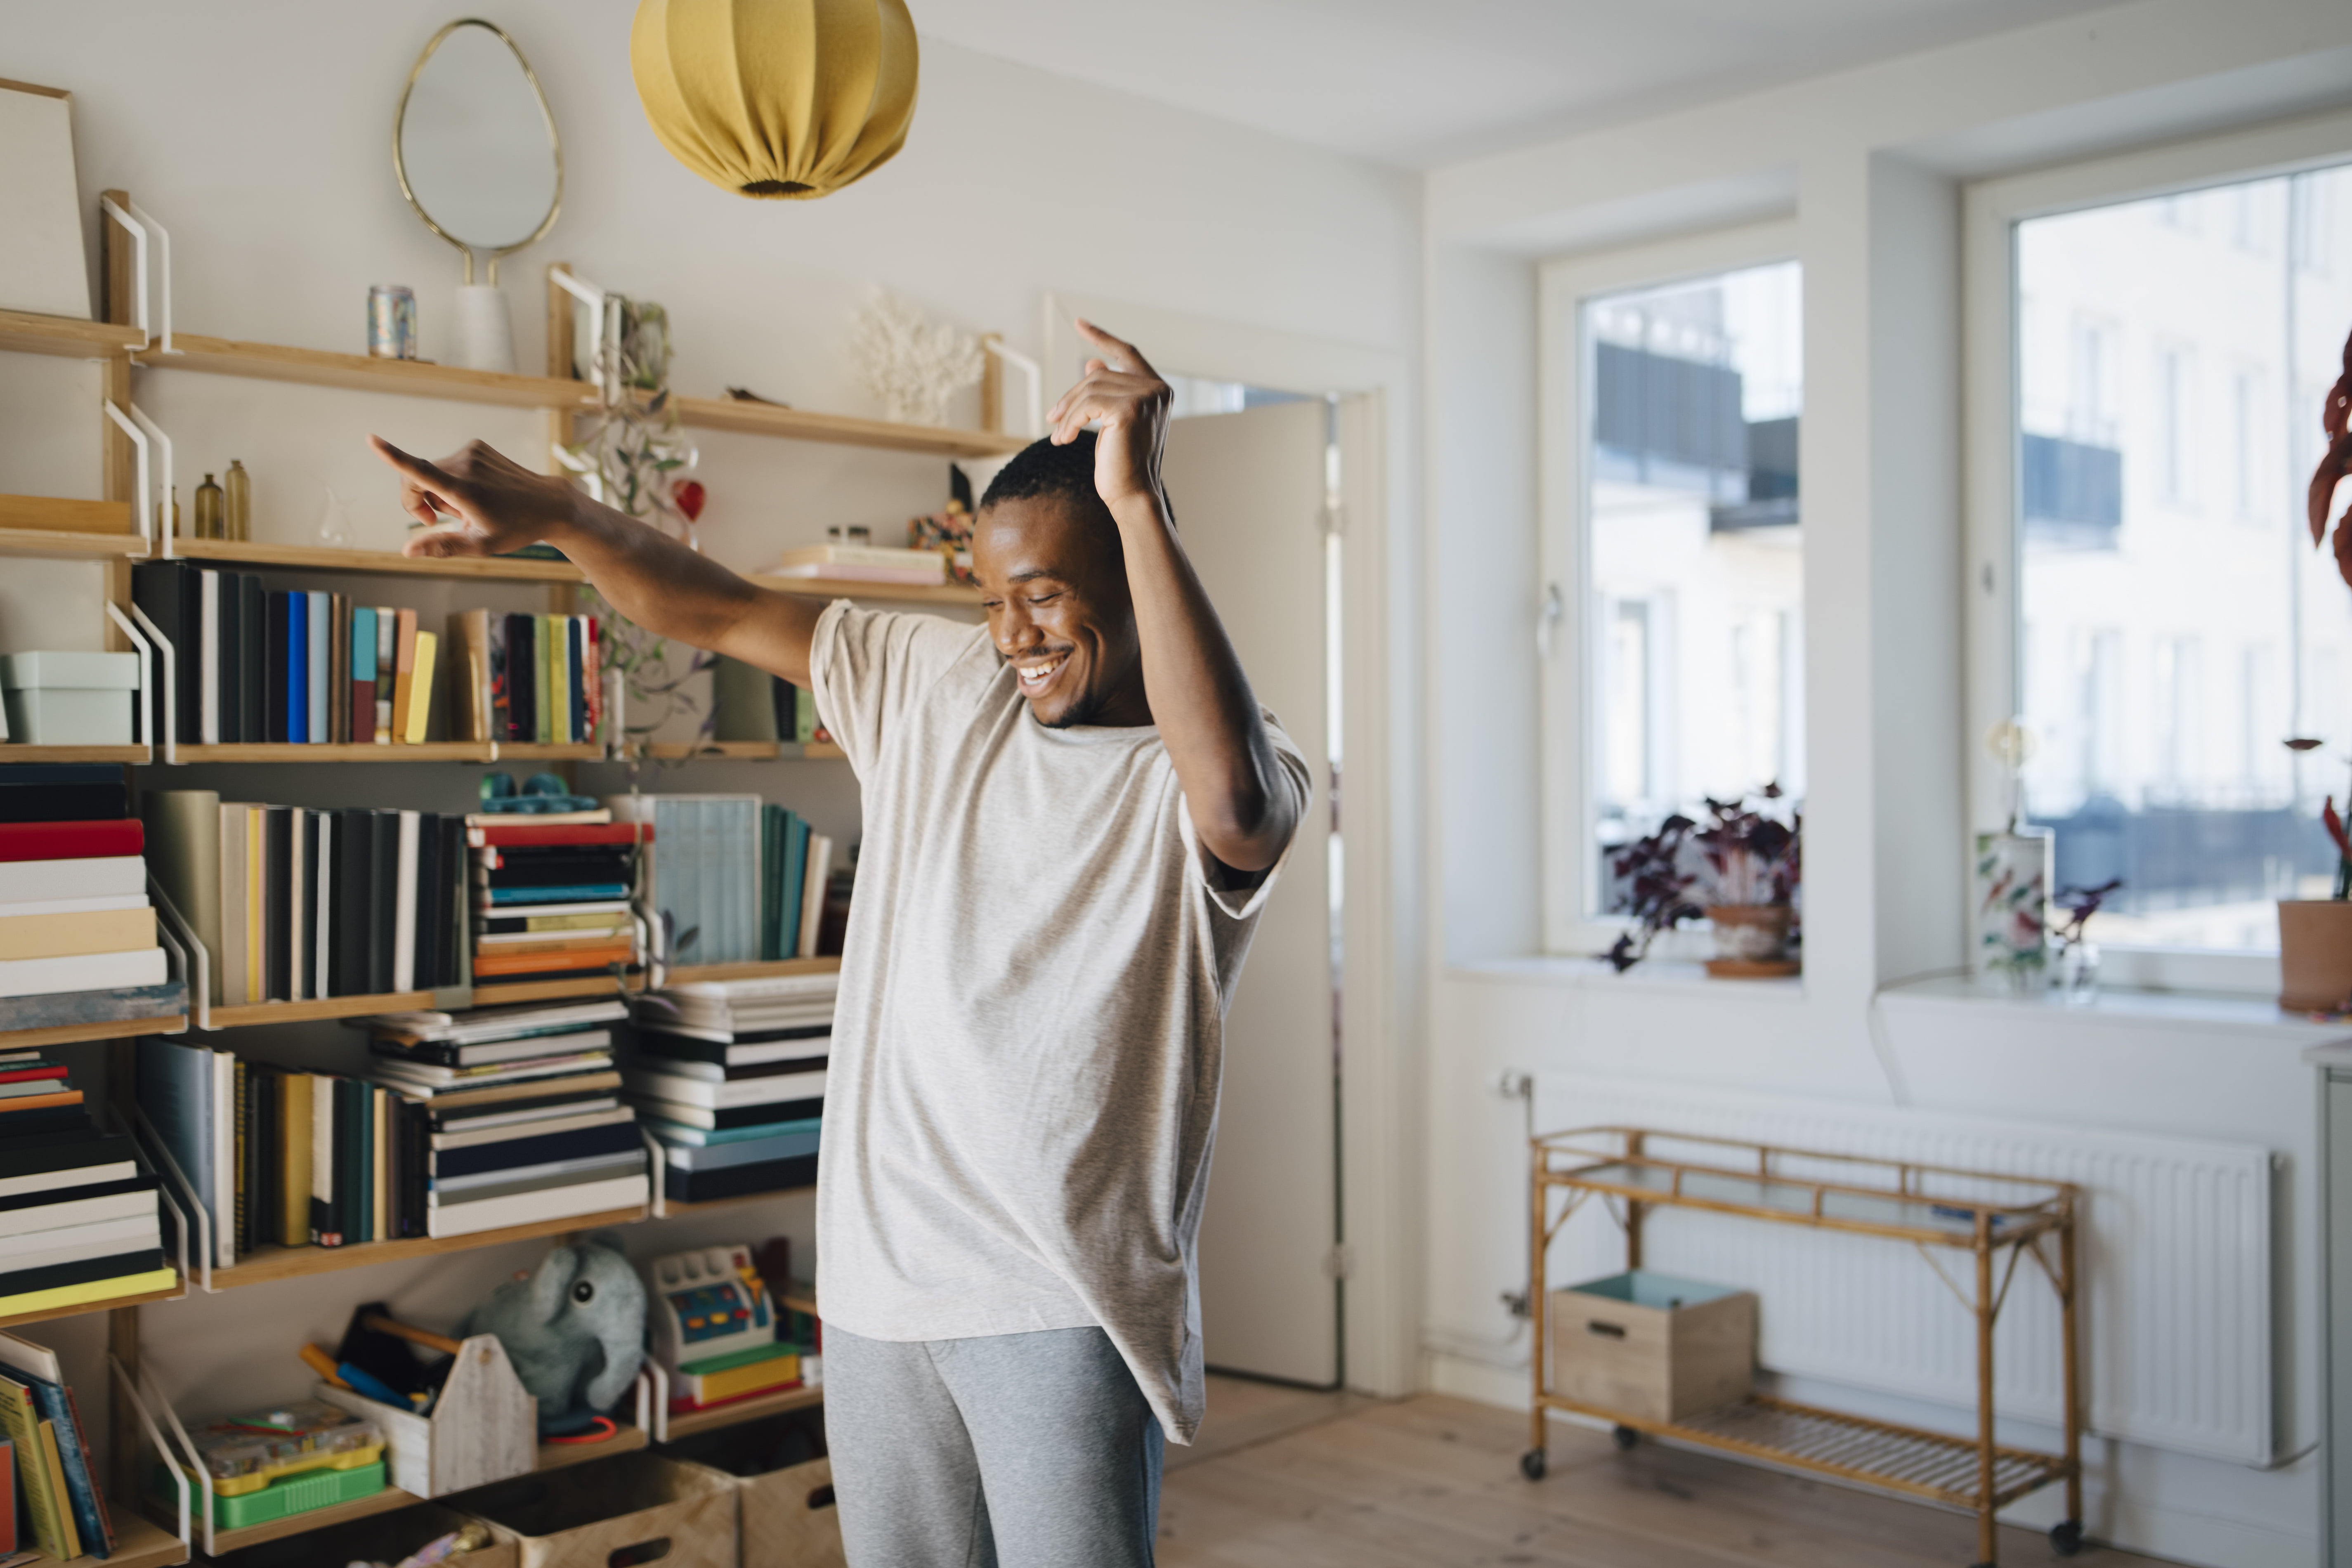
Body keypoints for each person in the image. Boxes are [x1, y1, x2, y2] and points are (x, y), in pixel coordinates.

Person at [372, 320, 1308, 1568]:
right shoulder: (938, 685)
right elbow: (714, 605)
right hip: (876, 1293)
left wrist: (1135, 495)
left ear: (1137, 575)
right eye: (993, 600)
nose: (1016, 636)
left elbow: (1236, 810)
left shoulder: (1220, 766)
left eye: (1046, 597)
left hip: (1054, 1303)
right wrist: (558, 511)